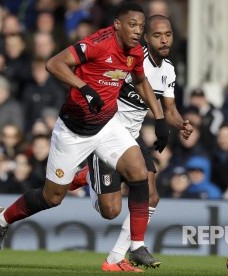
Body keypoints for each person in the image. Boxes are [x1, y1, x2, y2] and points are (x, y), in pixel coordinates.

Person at [0, 2, 170, 271]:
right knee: (52, 197)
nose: (137, 31)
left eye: (141, 27)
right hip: (73, 131)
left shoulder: (134, 53)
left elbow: (141, 82)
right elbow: (54, 63)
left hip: (107, 125)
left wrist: (161, 118)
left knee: (139, 173)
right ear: (117, 24)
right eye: (133, 25)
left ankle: (137, 246)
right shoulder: (98, 43)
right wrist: (84, 88)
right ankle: (2, 220)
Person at [69, 14, 193, 272]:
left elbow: (169, 109)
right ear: (146, 38)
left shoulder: (168, 69)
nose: (164, 40)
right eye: (157, 35)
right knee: (111, 211)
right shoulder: (133, 59)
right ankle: (89, 174)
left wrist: (181, 123)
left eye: (168, 34)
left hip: (132, 136)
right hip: (106, 133)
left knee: (152, 195)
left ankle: (118, 256)